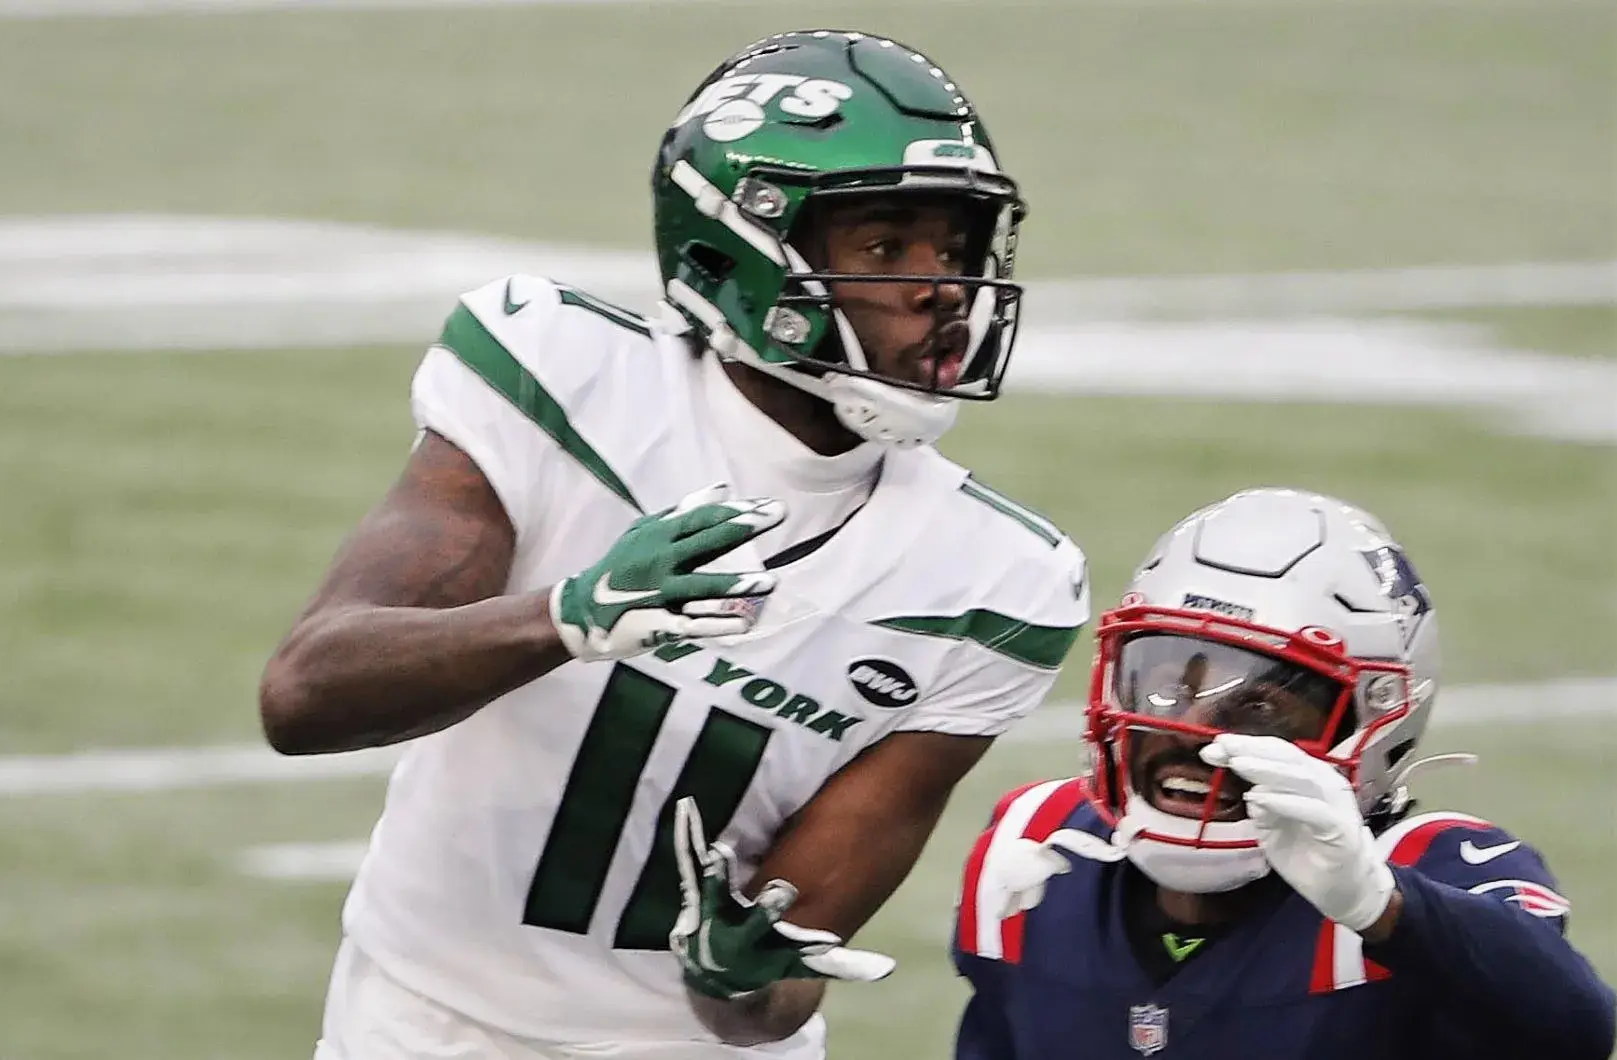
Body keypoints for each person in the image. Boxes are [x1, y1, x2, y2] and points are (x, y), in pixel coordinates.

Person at [258, 28, 1090, 1060]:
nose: (942, 291)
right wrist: (565, 617)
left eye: (954, 250)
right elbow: (305, 697)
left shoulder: (1000, 581)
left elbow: (777, 986)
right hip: (422, 1014)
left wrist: (741, 973)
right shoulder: (561, 373)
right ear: (726, 251)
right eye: (885, 249)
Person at [952, 487, 1617, 1059]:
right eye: (1163, 687)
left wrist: (1380, 905)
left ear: (1376, 719)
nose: (1193, 734)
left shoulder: (1435, 868)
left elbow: (1574, 1027)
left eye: (1260, 708)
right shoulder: (1039, 853)